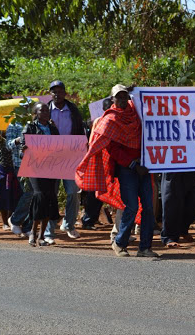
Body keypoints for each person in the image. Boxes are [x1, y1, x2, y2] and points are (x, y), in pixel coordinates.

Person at [76, 84, 158, 257]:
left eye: (124, 96)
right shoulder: (110, 120)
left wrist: (136, 91)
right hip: (128, 169)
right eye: (118, 97)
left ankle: (145, 247)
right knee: (132, 206)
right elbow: (112, 149)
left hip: (144, 166)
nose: (121, 100)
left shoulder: (136, 114)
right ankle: (120, 242)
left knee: (149, 207)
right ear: (112, 99)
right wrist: (134, 165)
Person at [45, 80, 86, 242]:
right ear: (50, 93)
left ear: (65, 92)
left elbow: (81, 131)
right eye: (54, 91)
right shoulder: (45, 110)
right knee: (50, 194)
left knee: (73, 192)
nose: (57, 94)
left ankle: (69, 224)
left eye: (60, 91)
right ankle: (49, 231)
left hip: (70, 157)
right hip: (51, 159)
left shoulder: (73, 110)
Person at [21, 102, 60, 246]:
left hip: (51, 168)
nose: (45, 113)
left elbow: (60, 147)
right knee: (39, 196)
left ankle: (42, 236)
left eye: (46, 110)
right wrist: (24, 150)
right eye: (41, 111)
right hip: (36, 169)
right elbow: (22, 149)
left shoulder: (53, 128)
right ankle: (32, 232)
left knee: (50, 198)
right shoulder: (30, 127)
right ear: (35, 113)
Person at [81, 98, 113, 230]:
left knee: (99, 191)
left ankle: (90, 219)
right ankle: (88, 220)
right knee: (95, 192)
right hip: (99, 160)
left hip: (106, 160)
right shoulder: (101, 121)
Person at [6, 111, 34, 237]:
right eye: (24, 107)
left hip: (36, 164)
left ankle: (28, 226)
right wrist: (18, 141)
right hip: (20, 164)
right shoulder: (13, 125)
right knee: (29, 192)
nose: (26, 110)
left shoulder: (34, 124)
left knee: (35, 195)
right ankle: (15, 220)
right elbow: (8, 145)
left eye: (28, 107)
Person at [160, 171, 195, 247]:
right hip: (172, 170)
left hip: (190, 170)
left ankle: (183, 229)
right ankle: (169, 237)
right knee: (171, 205)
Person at [0, 130, 21, 230]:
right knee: (0, 197)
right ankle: (5, 222)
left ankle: (10, 220)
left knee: (10, 196)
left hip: (9, 173)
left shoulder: (6, 143)